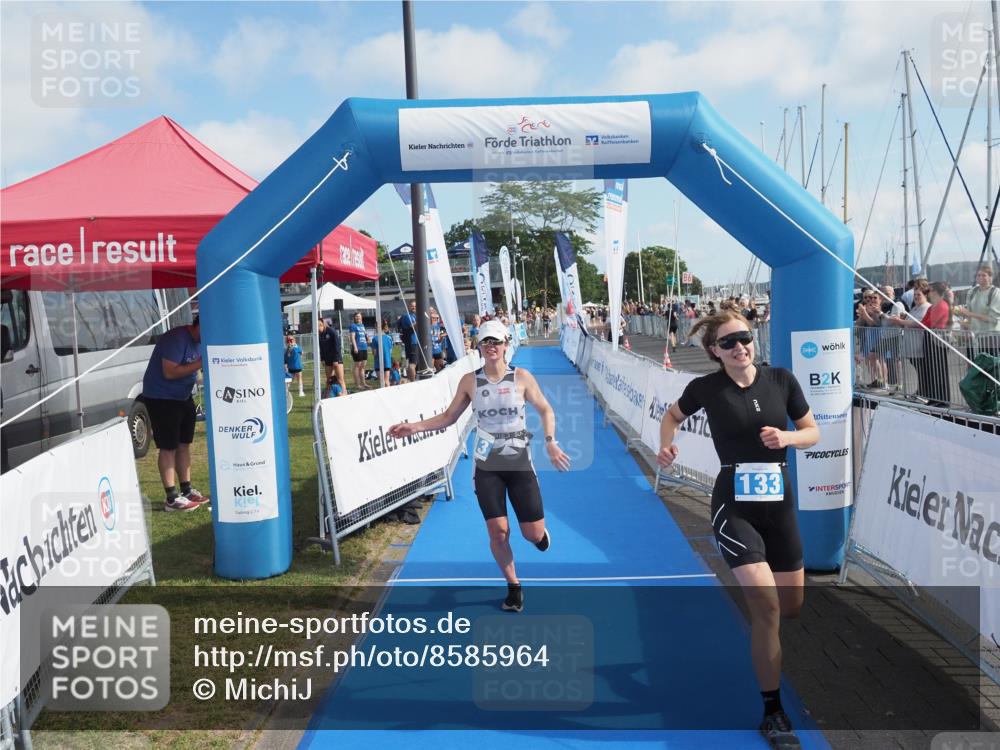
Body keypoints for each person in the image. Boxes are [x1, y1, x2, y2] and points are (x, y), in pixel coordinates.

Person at [656, 310, 819, 749]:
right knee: (765, 609)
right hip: (734, 507)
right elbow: (671, 417)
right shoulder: (705, 388)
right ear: (715, 351)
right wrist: (665, 445)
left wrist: (787, 440)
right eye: (728, 343)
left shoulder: (782, 380)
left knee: (791, 608)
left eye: (744, 337)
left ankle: (766, 659)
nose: (740, 347)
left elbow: (812, 432)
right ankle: (773, 712)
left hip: (779, 508)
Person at [388, 319, 570, 612]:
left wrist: (550, 441)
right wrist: (414, 427)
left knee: (531, 534)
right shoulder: (470, 381)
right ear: (480, 347)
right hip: (487, 465)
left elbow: (546, 409)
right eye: (486, 342)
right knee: (498, 532)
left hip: (520, 463)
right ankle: (514, 587)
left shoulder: (521, 377)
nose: (491, 347)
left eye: (496, 342)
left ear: (506, 345)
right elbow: (448, 418)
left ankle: (540, 535)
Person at [141, 317, 209, 512]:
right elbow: (170, 372)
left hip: (183, 397)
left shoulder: (198, 342)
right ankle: (171, 498)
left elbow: (195, 371)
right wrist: (199, 364)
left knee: (184, 445)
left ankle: (186, 490)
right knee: (168, 447)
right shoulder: (176, 338)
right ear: (200, 325)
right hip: (161, 398)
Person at [954, 265, 1000, 357]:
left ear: (990, 277)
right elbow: (969, 316)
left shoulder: (995, 293)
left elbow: (993, 319)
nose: (980, 277)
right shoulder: (972, 292)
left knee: (991, 367)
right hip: (975, 336)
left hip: (992, 336)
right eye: (978, 275)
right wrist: (964, 324)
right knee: (974, 366)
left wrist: (969, 313)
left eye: (984, 275)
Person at [318, 318, 346, 395]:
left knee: (340, 379)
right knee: (329, 380)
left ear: (323, 324)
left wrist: (336, 359)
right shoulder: (319, 335)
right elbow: (321, 348)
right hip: (327, 359)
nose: (318, 328)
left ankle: (344, 393)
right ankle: (328, 395)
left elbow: (337, 345)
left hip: (336, 359)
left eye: (320, 325)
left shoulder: (331, 331)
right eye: (317, 326)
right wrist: (322, 358)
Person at [397, 300, 419, 383]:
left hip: (414, 342)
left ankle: (410, 380)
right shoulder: (407, 316)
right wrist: (421, 319)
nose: (414, 307)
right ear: (408, 307)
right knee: (412, 363)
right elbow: (412, 327)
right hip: (412, 342)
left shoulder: (415, 316)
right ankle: (412, 382)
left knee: (413, 363)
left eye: (415, 306)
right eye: (412, 306)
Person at [348, 312, 370, 390]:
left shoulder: (362, 325)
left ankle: (364, 383)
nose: (358, 318)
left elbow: (365, 335)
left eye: (359, 316)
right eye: (356, 316)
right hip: (358, 348)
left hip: (364, 347)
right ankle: (358, 384)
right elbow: (352, 338)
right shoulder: (353, 326)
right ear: (354, 318)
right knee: (357, 366)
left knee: (363, 366)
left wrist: (367, 338)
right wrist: (355, 347)